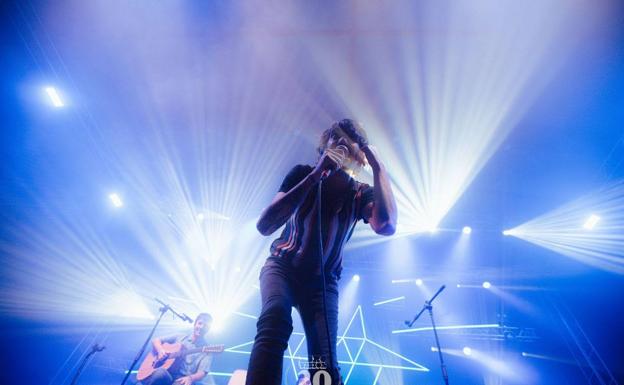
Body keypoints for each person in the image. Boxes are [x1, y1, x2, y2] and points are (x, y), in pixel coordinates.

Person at [246, 119, 397, 385]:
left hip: (322, 283)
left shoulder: (361, 193)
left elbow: (386, 225)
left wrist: (378, 166)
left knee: (322, 360)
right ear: (323, 147)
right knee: (275, 319)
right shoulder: (301, 174)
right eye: (335, 138)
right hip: (283, 267)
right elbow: (265, 225)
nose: (341, 144)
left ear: (358, 155)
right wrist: (315, 176)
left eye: (349, 141)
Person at [139, 313, 214, 385]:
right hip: (167, 372)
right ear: (195, 324)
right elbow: (156, 340)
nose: (201, 327)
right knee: (160, 373)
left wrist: (191, 378)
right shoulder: (180, 336)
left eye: (205, 326)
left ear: (208, 329)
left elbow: (202, 372)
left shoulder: (207, 350)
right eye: (200, 323)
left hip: (183, 378)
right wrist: (160, 351)